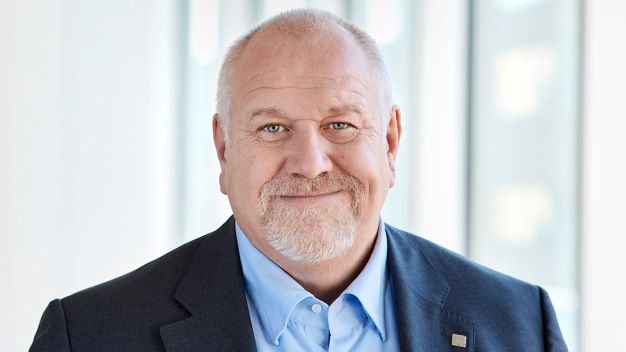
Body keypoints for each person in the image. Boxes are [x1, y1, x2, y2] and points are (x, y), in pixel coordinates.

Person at [30, 8, 567, 352]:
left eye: (340, 124)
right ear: (223, 149)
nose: (309, 163)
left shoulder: (521, 325)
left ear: (390, 141)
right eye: (272, 127)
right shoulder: (89, 337)